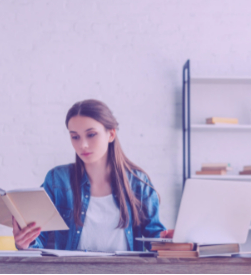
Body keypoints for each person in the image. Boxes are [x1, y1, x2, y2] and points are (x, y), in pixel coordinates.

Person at [13, 99, 173, 252]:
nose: (82, 145)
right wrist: (25, 243)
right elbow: (37, 240)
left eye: (91, 134)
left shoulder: (138, 182)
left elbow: (154, 237)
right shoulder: (57, 180)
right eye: (75, 137)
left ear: (111, 134)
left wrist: (171, 241)